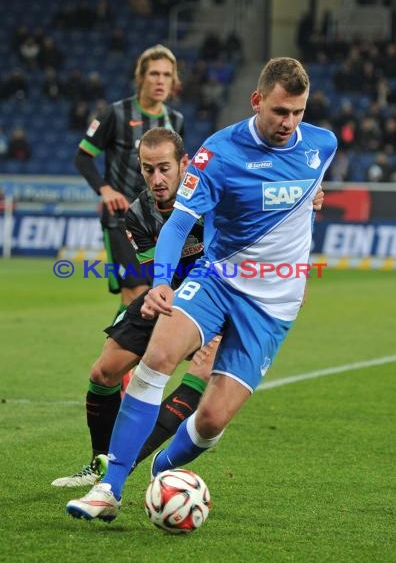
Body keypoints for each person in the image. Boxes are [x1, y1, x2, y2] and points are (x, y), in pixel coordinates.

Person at [66, 57, 336, 522]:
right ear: (257, 101)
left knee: (210, 421)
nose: (289, 123)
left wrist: (304, 248)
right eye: (279, 112)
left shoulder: (321, 145)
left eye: (297, 112)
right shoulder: (219, 153)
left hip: (273, 305)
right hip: (216, 280)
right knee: (158, 357)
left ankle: (164, 471)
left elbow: (302, 204)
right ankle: (109, 488)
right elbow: (178, 226)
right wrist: (161, 284)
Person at [53, 127, 218, 488]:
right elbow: (161, 271)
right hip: (166, 293)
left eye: (164, 168)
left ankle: (121, 469)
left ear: (184, 164)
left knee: (202, 372)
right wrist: (157, 299)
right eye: (148, 170)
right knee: (103, 372)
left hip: (215, 300)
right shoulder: (139, 214)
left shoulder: (213, 197)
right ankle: (100, 462)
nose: (156, 179)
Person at [74, 44, 184, 322]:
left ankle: (133, 360)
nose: (160, 81)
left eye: (167, 75)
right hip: (121, 220)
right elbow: (83, 157)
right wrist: (105, 189)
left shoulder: (176, 120)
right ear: (141, 78)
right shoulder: (115, 113)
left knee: (156, 293)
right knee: (135, 292)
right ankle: (118, 365)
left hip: (160, 221)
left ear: (174, 81)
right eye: (154, 74)